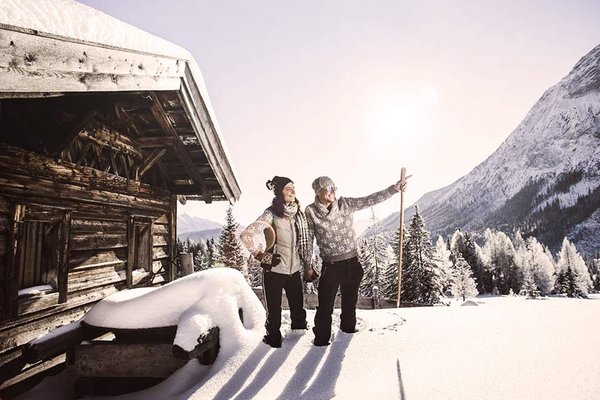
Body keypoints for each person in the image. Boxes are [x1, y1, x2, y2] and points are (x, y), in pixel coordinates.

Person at [306, 176, 408, 346]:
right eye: (330, 188)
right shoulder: (310, 211)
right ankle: (320, 342)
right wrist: (307, 265)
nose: (334, 191)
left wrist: (394, 189)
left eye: (334, 187)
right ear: (319, 192)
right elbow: (308, 239)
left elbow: (369, 200)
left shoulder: (345, 204)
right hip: (330, 267)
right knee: (325, 307)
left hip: (352, 264)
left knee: (349, 306)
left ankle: (346, 339)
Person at [240, 176, 315, 348]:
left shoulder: (299, 215)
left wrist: (306, 264)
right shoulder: (271, 214)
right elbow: (246, 235)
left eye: (293, 188)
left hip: (294, 270)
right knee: (274, 313)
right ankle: (273, 341)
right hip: (274, 271)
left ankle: (299, 339)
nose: (292, 191)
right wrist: (261, 256)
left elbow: (304, 242)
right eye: (288, 188)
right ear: (279, 191)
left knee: (298, 310)